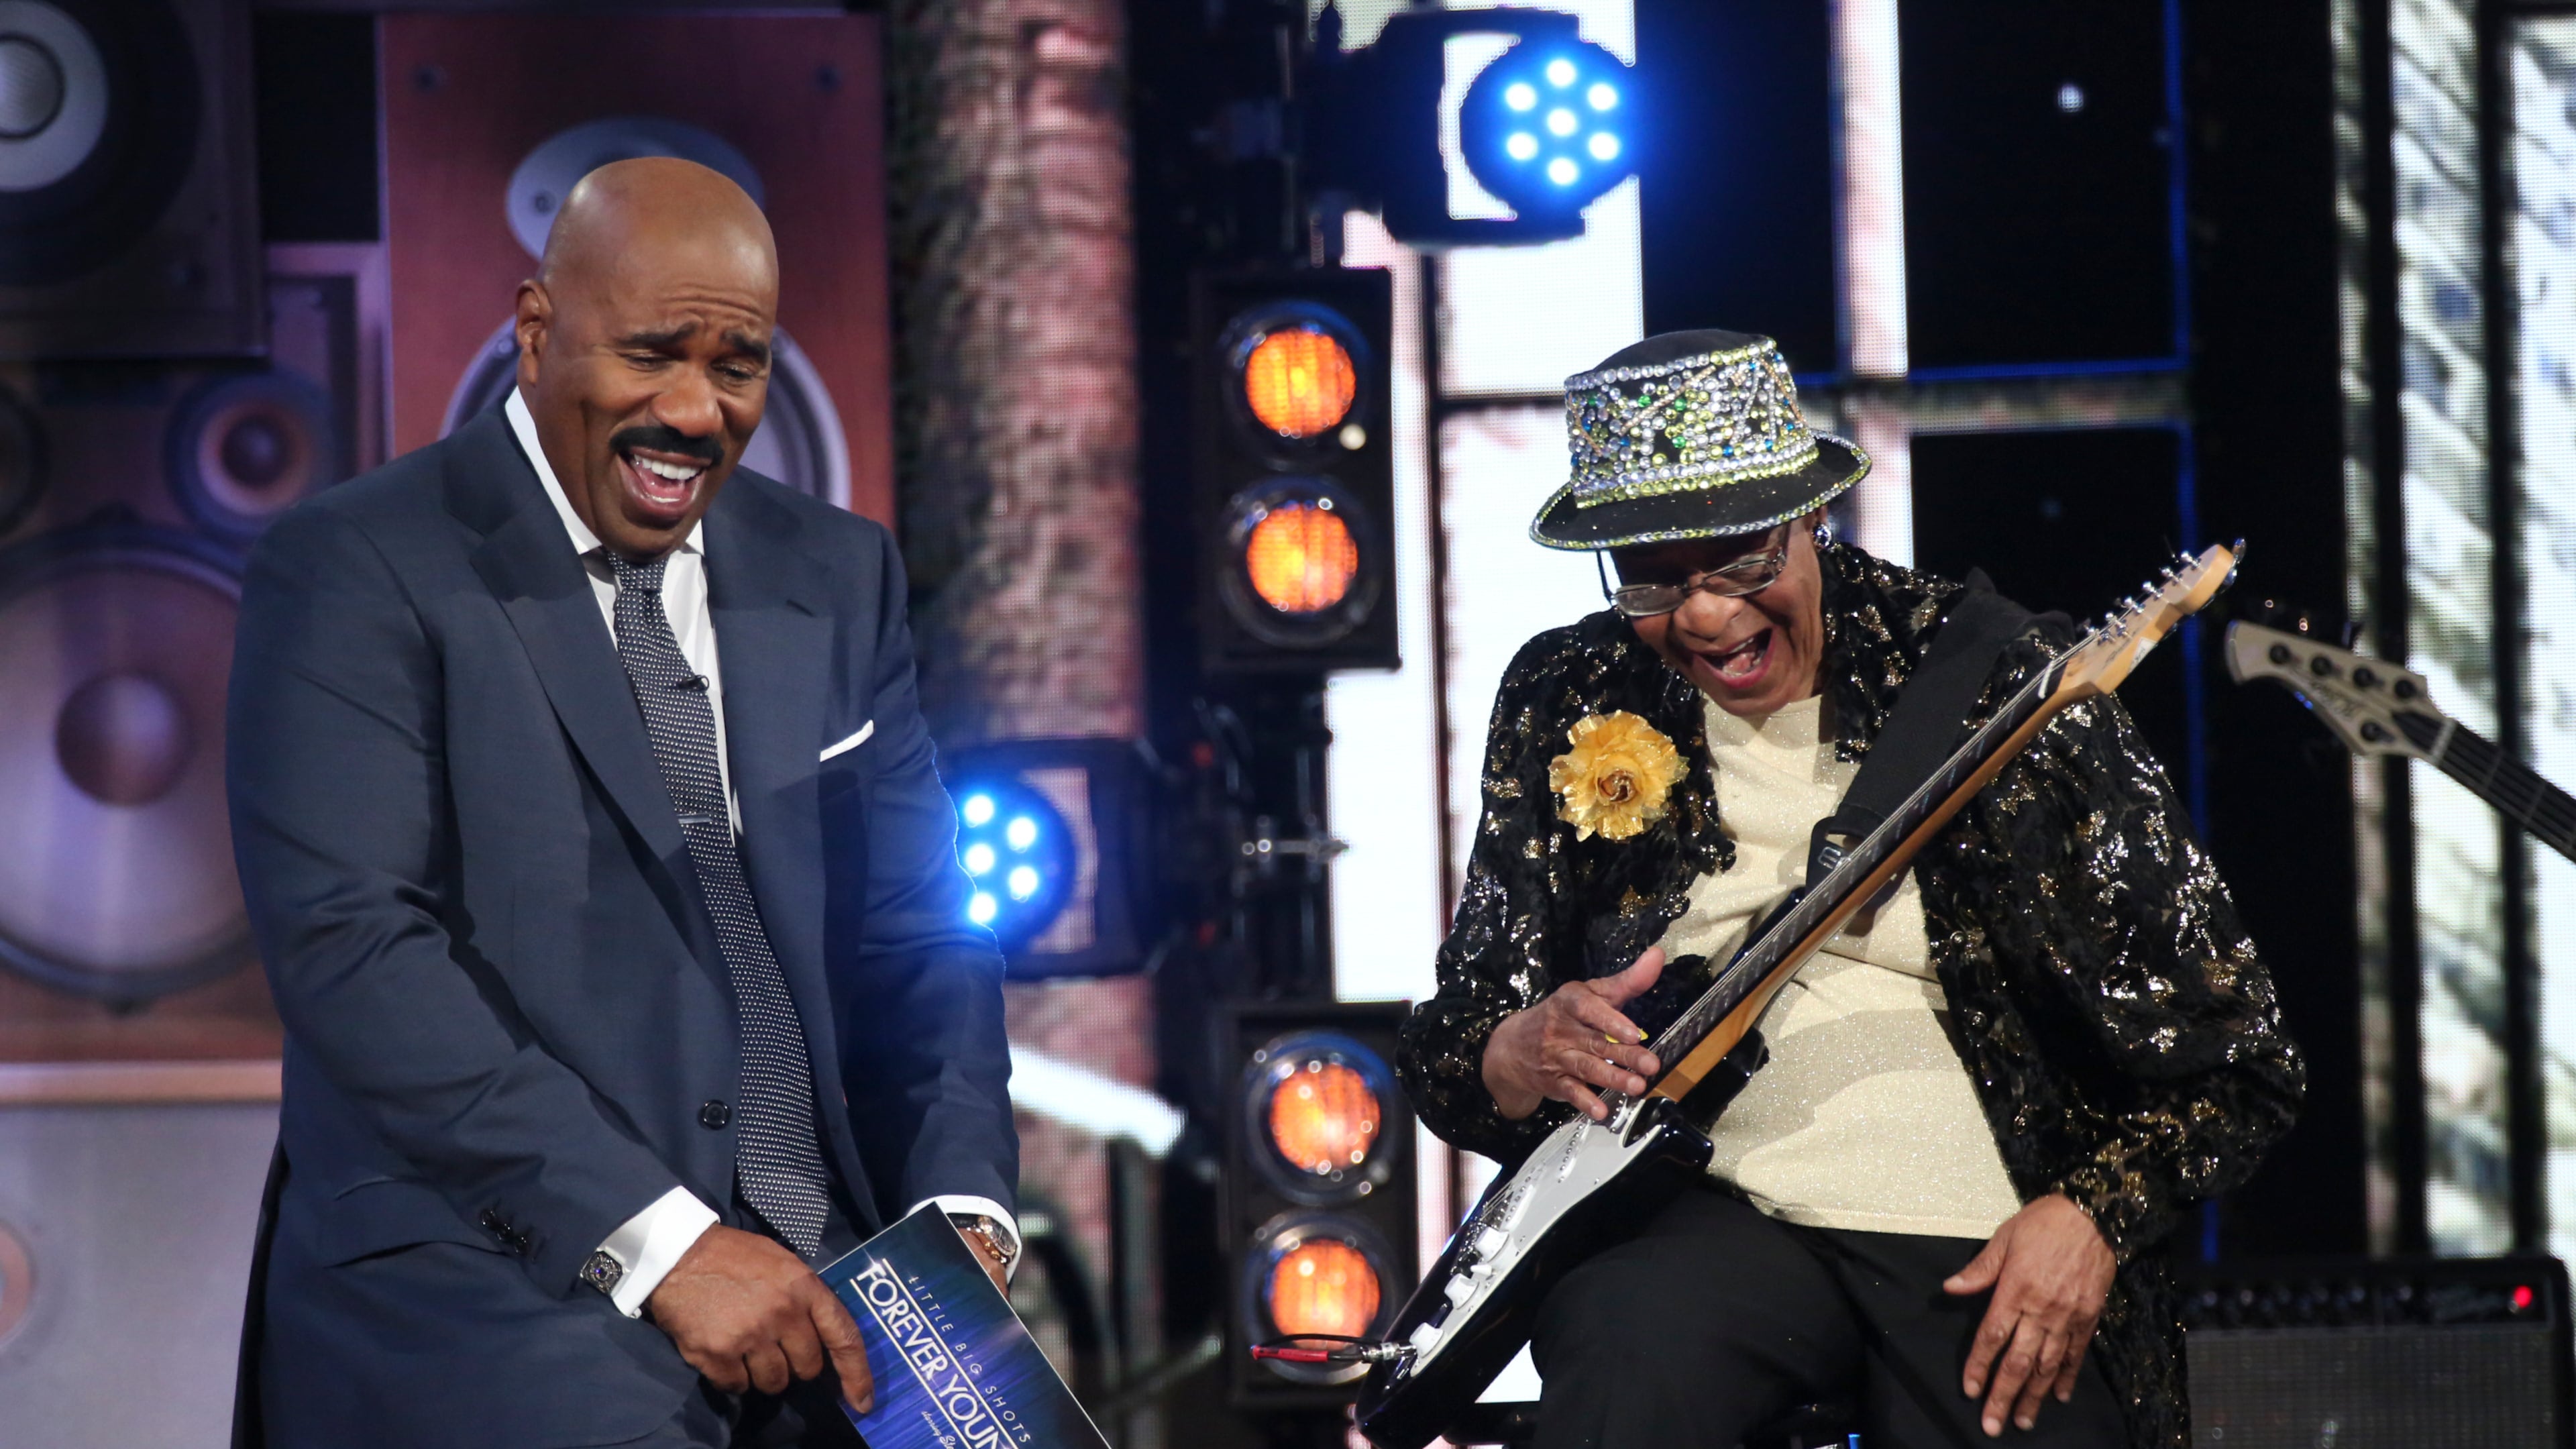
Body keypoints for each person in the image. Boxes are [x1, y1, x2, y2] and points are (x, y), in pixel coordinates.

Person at [226, 158, 1019, 1449]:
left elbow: (921, 930)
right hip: (503, 1292)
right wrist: (663, 1246)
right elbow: (353, 948)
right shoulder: (357, 565)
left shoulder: (838, 570)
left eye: (738, 366)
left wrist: (960, 1204)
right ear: (537, 333)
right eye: (651, 355)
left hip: (834, 1290)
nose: (695, 411)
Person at [1395, 331, 2302, 1449]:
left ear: (1812, 516)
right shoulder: (1565, 688)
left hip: (1984, 1220)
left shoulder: (2003, 682)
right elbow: (1456, 1036)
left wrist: (2092, 1219)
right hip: (1708, 1206)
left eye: (1741, 563)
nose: (1705, 617)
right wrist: (1514, 1051)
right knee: (1626, 1341)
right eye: (1654, 579)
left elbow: (2244, 1065)